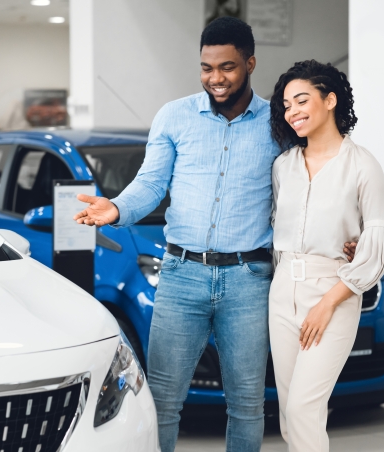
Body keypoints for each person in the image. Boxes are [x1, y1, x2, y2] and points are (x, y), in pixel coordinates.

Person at [73, 17, 278, 452]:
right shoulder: (174, 116)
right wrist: (116, 208)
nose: (215, 78)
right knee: (162, 401)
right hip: (182, 274)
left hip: (248, 279)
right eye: (206, 67)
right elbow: (151, 183)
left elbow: (300, 192)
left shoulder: (277, 124)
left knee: (246, 403)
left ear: (251, 63)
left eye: (227, 67)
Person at [268, 60, 384, 452]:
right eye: (287, 105)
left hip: (333, 292)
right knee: (291, 413)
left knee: (306, 407)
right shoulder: (283, 166)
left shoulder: (363, 165)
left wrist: (328, 302)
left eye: (301, 100)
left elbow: (379, 240)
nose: (293, 112)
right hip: (283, 287)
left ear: (330, 100)